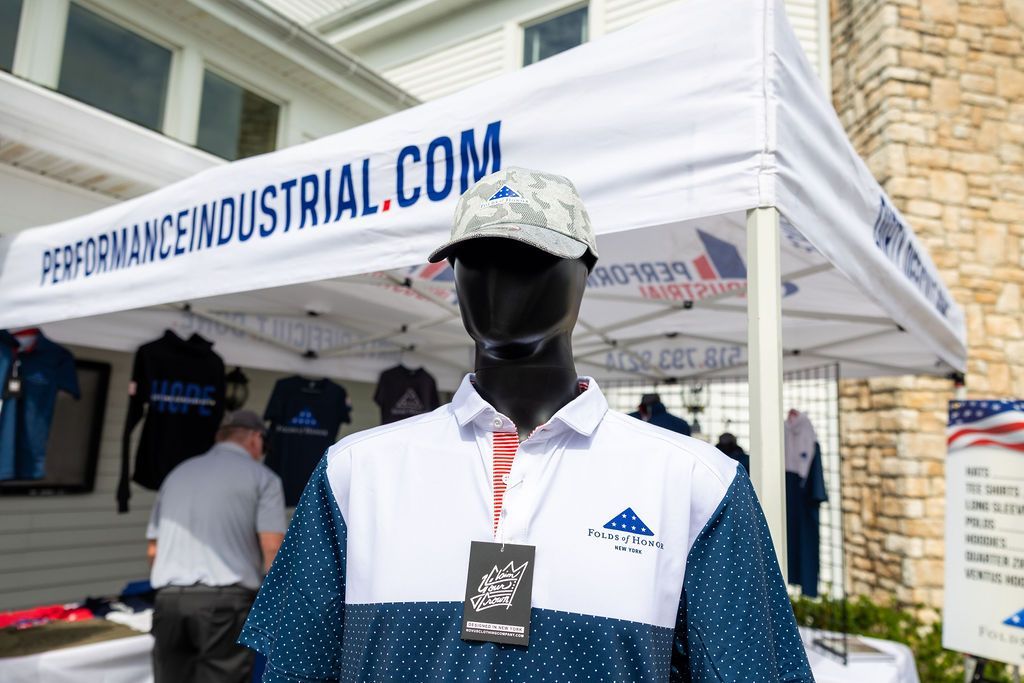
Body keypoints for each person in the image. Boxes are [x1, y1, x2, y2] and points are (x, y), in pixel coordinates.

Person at [239, 167, 812, 681]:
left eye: (528, 259)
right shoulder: (352, 472)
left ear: (583, 272)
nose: (496, 283)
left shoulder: (697, 485)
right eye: (474, 261)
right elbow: (294, 667)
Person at [147, 410, 285, 683]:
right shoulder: (262, 478)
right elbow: (272, 548)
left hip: (169, 601)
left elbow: (154, 549)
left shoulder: (179, 473)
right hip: (225, 603)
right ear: (256, 439)